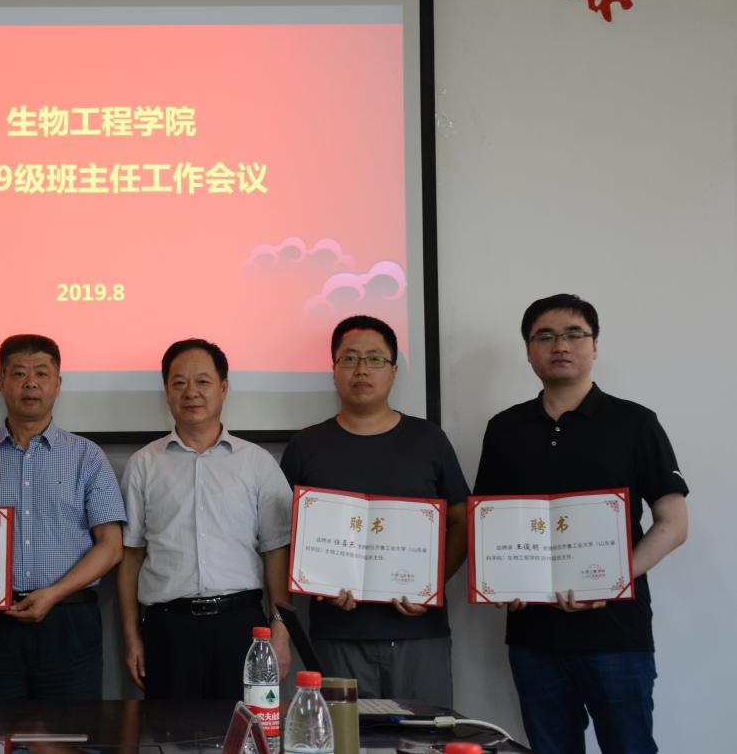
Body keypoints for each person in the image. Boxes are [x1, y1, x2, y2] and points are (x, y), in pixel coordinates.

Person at [473, 294, 688, 754]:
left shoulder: (635, 422)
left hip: (616, 634)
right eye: (545, 336)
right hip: (534, 637)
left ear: (594, 345)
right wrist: (500, 581)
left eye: (574, 334)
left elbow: (673, 523)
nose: (560, 345)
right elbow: (489, 524)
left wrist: (611, 580)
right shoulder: (504, 428)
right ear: (528, 350)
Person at [280, 316, 469, 708]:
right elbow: (285, 537)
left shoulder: (428, 440)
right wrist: (318, 582)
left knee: (424, 737)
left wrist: (431, 585)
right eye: (349, 359)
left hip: (420, 633)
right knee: (344, 737)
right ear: (334, 369)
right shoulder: (306, 446)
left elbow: (461, 522)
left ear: (393, 371)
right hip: (337, 635)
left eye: (375, 359)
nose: (362, 369)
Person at [0, 334, 126, 700]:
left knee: (72, 729)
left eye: (41, 373)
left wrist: (54, 594)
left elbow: (111, 546)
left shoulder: (87, 456)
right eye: (19, 374)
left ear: (57, 384)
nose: (30, 383)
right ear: (1, 383)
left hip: (69, 621)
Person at [118, 338, 293, 698]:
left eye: (202, 381)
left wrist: (281, 629)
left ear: (224, 388)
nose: (191, 393)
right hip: (168, 629)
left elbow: (277, 552)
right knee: (168, 728)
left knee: (243, 727)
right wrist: (132, 637)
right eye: (179, 383)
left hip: (241, 627)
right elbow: (131, 556)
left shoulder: (257, 463)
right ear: (167, 391)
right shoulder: (143, 464)